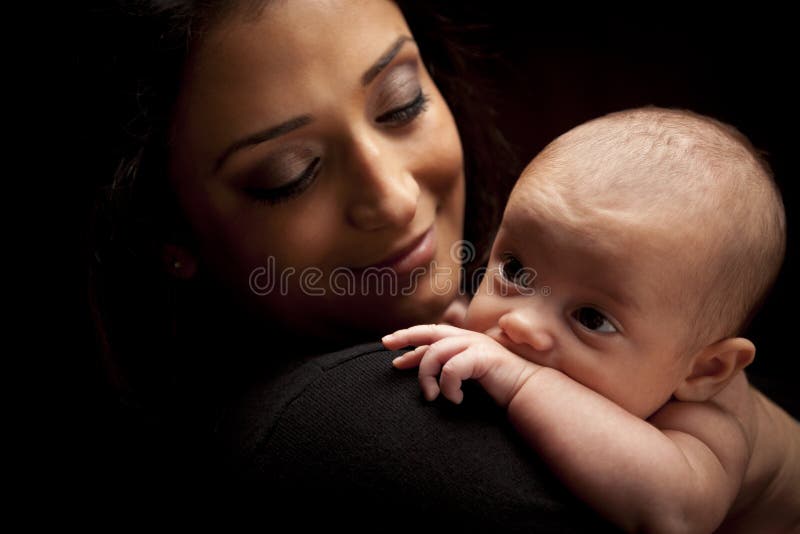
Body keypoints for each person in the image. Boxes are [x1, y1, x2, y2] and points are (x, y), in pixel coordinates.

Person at [84, 0, 619, 530]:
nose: (394, 199)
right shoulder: (333, 434)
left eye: (401, 104)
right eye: (291, 174)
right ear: (166, 232)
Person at [384, 107, 800, 533]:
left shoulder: (712, 418)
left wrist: (522, 382)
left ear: (705, 369)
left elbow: (675, 515)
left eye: (590, 318)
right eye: (515, 271)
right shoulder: (636, 335)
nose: (520, 324)